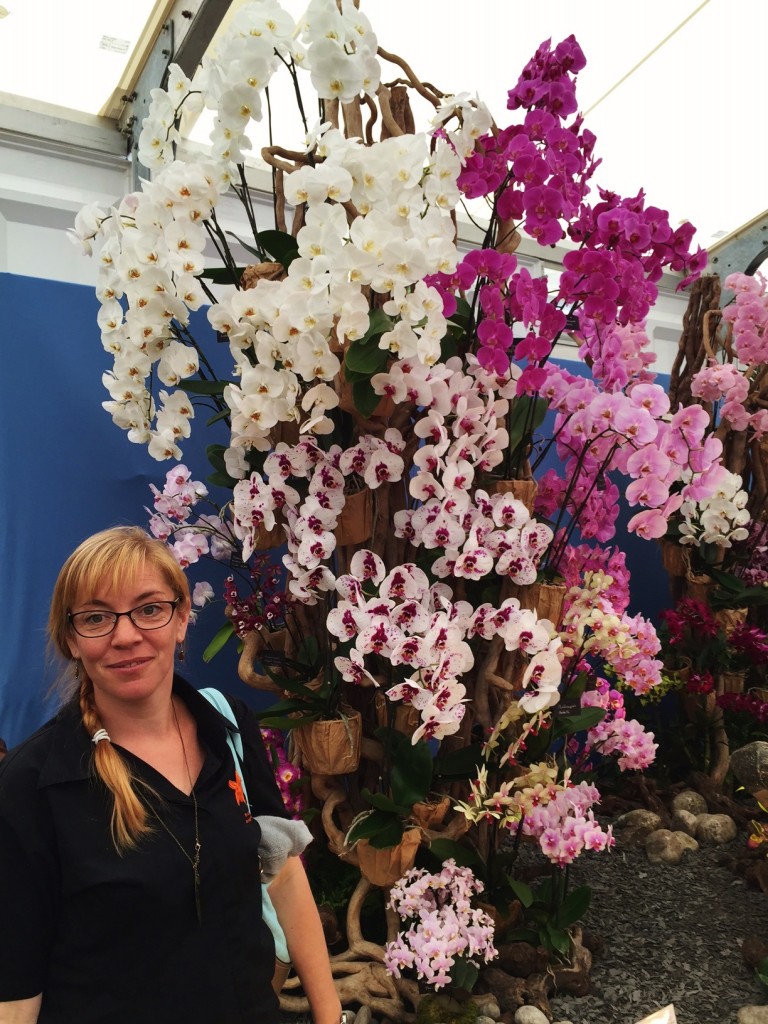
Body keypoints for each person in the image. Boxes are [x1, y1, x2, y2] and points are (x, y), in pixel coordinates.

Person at [0, 526, 342, 1024]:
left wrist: (331, 1017)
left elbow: (282, 871)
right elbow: (16, 985)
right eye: (96, 617)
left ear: (182, 619)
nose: (125, 635)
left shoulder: (228, 728)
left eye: (149, 609)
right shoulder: (32, 784)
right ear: (71, 639)